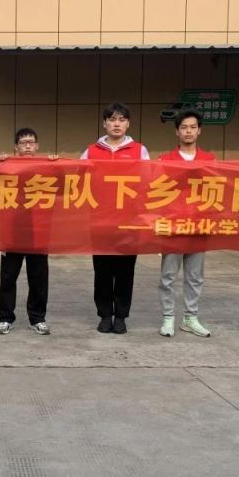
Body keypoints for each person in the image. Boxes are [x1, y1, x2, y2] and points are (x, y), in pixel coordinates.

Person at [82, 102, 150, 334]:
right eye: (112, 119)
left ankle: (120, 316)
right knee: (102, 272)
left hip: (129, 222)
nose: (116, 124)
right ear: (104, 124)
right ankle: (104, 315)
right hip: (100, 221)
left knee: (125, 272)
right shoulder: (91, 151)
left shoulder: (139, 150)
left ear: (128, 124)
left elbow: (148, 182)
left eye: (121, 119)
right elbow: (77, 179)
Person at [157, 110, 215, 339]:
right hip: (173, 226)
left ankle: (190, 317)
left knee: (195, 276)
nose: (188, 131)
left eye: (192, 127)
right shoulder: (165, 160)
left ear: (199, 130)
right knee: (168, 276)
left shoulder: (210, 160)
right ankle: (168, 317)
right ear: (177, 131)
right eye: (184, 127)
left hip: (199, 226)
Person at [0, 127, 57, 335]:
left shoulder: (46, 168)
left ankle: (37, 318)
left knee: (38, 278)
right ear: (16, 147)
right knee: (8, 278)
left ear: (37, 146)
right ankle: (5, 317)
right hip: (12, 231)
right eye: (23, 143)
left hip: (38, 230)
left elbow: (65, 183)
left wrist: (56, 163)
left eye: (31, 142)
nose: (27, 146)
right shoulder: (7, 167)